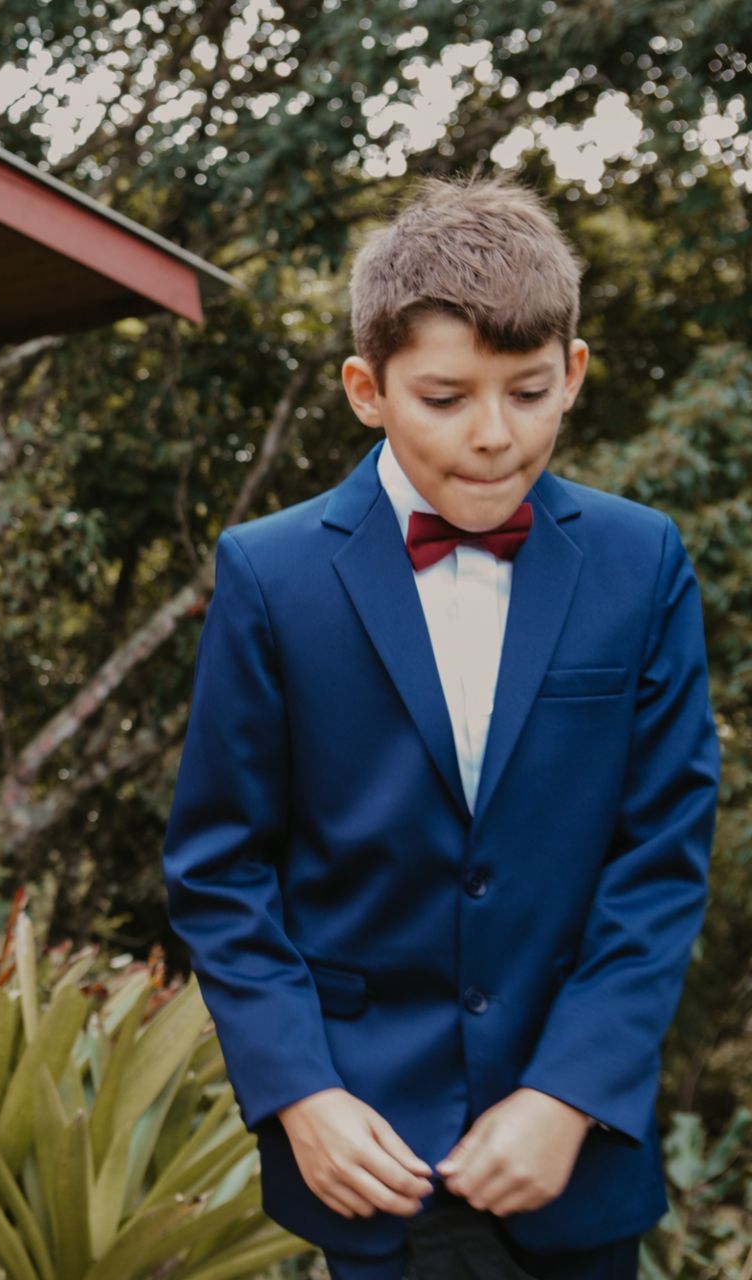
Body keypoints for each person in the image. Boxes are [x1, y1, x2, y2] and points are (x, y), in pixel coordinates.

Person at [163, 174, 718, 1280]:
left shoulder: (641, 558)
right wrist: (301, 1092)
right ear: (367, 390)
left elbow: (662, 854)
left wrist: (570, 1091)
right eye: (446, 398)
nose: (494, 437)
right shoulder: (270, 575)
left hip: (573, 1153)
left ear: (574, 371)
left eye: (529, 392)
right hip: (367, 1149)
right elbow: (221, 869)